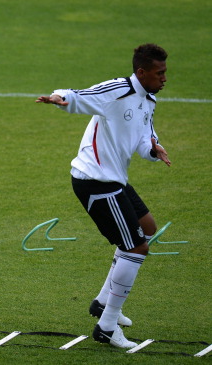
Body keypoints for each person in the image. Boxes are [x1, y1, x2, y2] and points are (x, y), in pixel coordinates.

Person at [36, 43, 171, 348]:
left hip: (115, 180)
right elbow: (81, 95)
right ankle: (108, 326)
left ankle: (102, 302)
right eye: (159, 73)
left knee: (147, 229)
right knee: (136, 248)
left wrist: (153, 148)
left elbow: (143, 136)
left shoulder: (147, 100)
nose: (164, 79)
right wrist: (61, 98)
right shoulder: (118, 90)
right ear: (141, 72)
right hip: (95, 181)